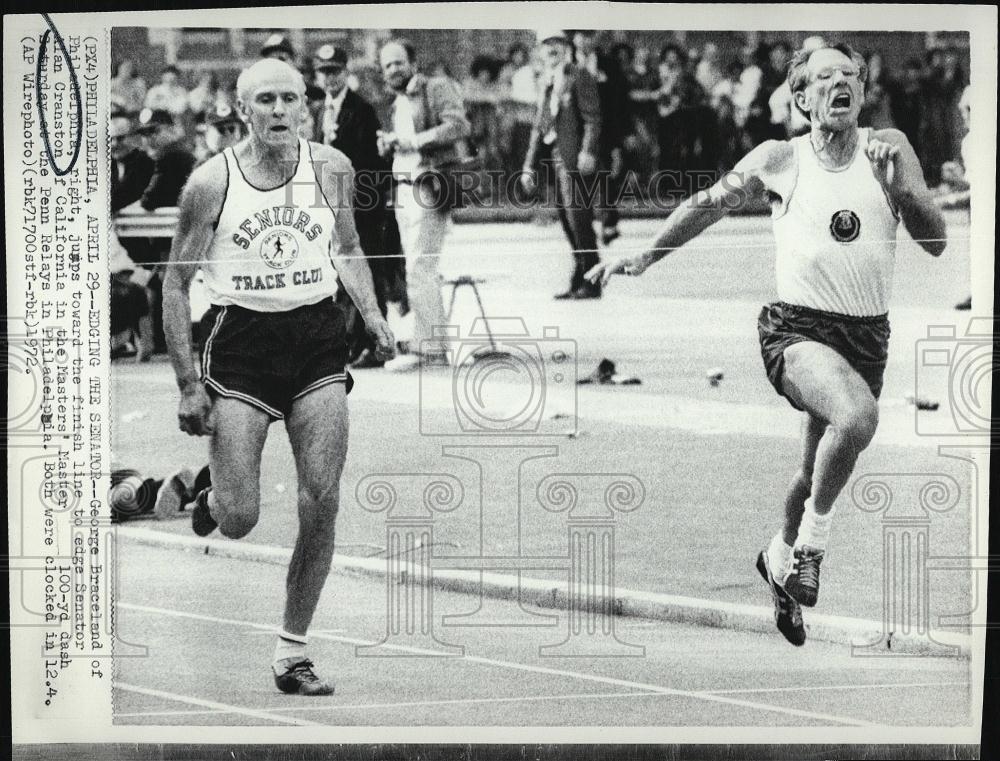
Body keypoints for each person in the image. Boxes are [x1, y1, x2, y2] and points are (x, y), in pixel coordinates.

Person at [588, 42, 945, 646]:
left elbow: (936, 243)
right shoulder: (781, 158)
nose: (839, 84)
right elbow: (708, 205)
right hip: (797, 330)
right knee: (857, 419)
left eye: (848, 75)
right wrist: (644, 256)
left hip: (866, 337)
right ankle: (811, 549)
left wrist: (900, 190)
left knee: (812, 473)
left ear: (861, 89)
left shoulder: (892, 148)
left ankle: (778, 555)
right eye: (823, 76)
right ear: (801, 99)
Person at [161, 58, 395, 695]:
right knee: (240, 519)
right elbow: (176, 283)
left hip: (316, 339)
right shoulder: (212, 182)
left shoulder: (332, 169)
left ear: (307, 105)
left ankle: (292, 652)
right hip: (241, 343)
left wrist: (372, 315)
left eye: (291, 98)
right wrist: (187, 383)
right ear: (243, 110)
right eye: (265, 100)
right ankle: (204, 490)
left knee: (321, 500)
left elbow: (346, 246)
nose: (281, 111)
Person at [377, 38, 472, 370]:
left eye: (398, 62)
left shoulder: (436, 87)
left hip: (429, 187)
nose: (393, 70)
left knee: (421, 268)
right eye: (387, 65)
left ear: (412, 63)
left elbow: (459, 125)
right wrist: (390, 146)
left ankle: (429, 347)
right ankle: (429, 340)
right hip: (404, 191)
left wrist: (412, 141)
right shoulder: (397, 103)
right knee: (416, 267)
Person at [313, 43, 395, 369]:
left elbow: (371, 163)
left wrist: (362, 202)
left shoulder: (361, 109)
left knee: (367, 271)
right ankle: (350, 342)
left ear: (345, 72)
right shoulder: (320, 110)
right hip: (329, 206)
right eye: (324, 72)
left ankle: (374, 343)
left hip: (362, 205)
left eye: (335, 71)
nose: (330, 78)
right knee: (339, 276)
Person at [522, 29, 602, 300]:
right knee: (568, 220)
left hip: (573, 158)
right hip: (552, 158)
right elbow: (539, 125)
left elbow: (592, 118)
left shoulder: (579, 75)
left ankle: (592, 279)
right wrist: (528, 165)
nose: (551, 48)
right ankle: (580, 275)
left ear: (566, 47)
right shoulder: (545, 80)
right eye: (546, 44)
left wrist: (588, 151)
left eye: (556, 43)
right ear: (540, 51)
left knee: (579, 218)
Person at [134, 107, 197, 354]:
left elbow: (150, 199)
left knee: (167, 284)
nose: (148, 138)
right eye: (145, 133)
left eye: (154, 131)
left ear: (170, 129)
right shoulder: (179, 152)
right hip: (178, 233)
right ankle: (162, 341)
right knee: (164, 283)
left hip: (175, 234)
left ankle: (165, 342)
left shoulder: (171, 156)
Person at [572, 29, 629, 246]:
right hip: (574, 132)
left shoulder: (610, 65)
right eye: (582, 34)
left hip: (604, 131)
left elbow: (619, 105)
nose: (586, 40)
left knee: (605, 174)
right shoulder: (566, 64)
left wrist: (619, 139)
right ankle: (582, 226)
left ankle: (608, 220)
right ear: (575, 37)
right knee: (576, 179)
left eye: (591, 34)